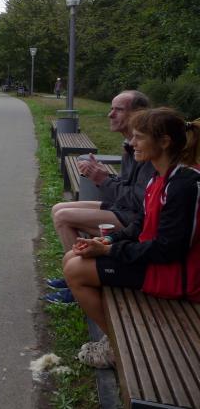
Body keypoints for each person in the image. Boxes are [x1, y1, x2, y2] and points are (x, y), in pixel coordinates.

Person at [63, 108, 200, 368]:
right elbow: (141, 224)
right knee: (73, 255)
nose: (132, 143)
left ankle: (117, 350)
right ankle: (115, 340)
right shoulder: (160, 176)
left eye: (139, 137)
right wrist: (108, 241)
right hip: (157, 261)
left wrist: (108, 252)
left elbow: (169, 250)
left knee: (75, 270)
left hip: (176, 275)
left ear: (164, 142)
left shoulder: (183, 185)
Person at [44, 91, 153, 304]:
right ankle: (74, 272)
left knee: (63, 217)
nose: (110, 114)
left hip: (134, 219)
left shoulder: (146, 148)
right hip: (123, 209)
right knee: (58, 208)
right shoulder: (130, 144)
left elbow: (138, 201)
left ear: (138, 113)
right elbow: (128, 186)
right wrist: (104, 176)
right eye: (111, 108)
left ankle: (79, 277)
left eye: (118, 109)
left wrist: (102, 179)